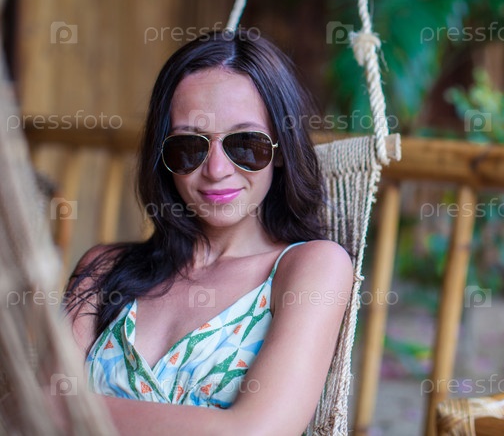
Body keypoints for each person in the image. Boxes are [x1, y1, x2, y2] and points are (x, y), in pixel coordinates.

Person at [64, 30, 353, 436]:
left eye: (246, 144)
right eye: (189, 146)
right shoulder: (102, 269)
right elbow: (32, 403)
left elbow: (254, 432)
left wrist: (74, 409)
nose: (216, 170)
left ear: (281, 149)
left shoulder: (311, 267)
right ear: (163, 155)